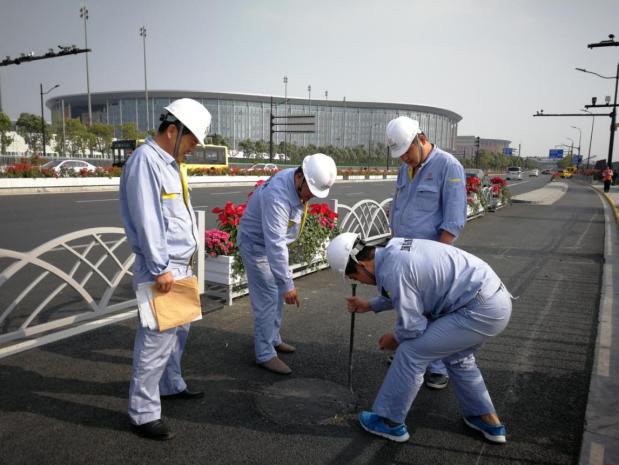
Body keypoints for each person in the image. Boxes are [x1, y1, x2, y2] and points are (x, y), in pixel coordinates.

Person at [326, 233, 512, 444]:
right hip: (491, 301)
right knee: (457, 358)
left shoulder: (394, 270)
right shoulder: (393, 251)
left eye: (353, 277)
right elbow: (409, 289)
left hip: (477, 311)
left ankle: (389, 421)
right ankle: (486, 419)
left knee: (411, 352)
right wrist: (370, 305)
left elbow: (412, 327)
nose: (358, 282)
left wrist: (395, 339)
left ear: (361, 265)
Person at [119, 98, 211, 441]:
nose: (193, 149)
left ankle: (171, 384)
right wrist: (160, 268)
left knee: (178, 333)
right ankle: (143, 413)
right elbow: (148, 221)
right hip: (163, 269)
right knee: (156, 340)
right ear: (172, 130)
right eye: (191, 141)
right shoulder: (146, 162)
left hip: (179, 267)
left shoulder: (170, 162)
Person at [385, 116, 467, 390]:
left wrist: (439, 260)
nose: (404, 158)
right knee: (407, 308)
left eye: (407, 152)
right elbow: (397, 209)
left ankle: (437, 367)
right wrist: (393, 245)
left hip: (431, 257)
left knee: (433, 313)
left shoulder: (448, 166)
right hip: (404, 254)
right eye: (400, 154)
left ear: (421, 139)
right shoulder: (405, 168)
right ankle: (409, 355)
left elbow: (454, 219)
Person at [238, 153, 337, 374]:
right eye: (309, 192)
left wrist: (285, 284)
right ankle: (264, 354)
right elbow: (275, 244)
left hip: (267, 247)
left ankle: (272, 339)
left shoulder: (295, 181)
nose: (310, 198)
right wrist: (288, 285)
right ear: (300, 177)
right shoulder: (277, 197)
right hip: (257, 248)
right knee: (268, 299)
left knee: (277, 297)